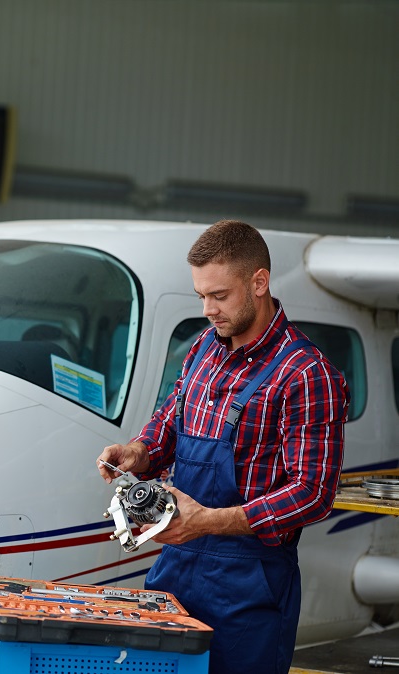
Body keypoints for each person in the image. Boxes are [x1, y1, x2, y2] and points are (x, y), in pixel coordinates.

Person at [96, 220, 348, 674]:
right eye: (201, 296)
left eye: (219, 295)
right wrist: (138, 451)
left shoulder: (307, 374)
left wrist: (208, 522)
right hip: (174, 569)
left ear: (259, 282)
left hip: (249, 587)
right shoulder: (202, 351)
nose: (208, 309)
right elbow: (169, 422)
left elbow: (313, 492)